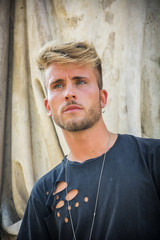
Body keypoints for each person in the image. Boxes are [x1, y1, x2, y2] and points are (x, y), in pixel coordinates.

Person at [17, 41, 160, 240]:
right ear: (48, 106)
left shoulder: (152, 158)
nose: (69, 93)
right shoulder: (43, 193)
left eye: (80, 81)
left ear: (102, 98)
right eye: (58, 85)